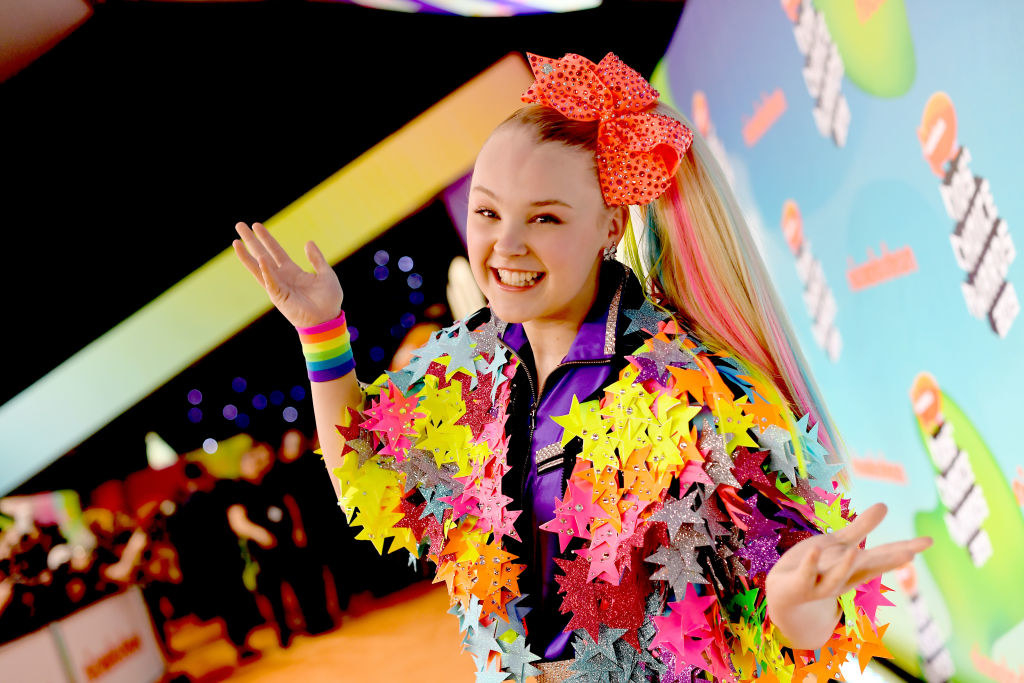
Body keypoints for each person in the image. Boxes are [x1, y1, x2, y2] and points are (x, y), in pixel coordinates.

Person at [231, 51, 932, 682]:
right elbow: (366, 472)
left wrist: (794, 601)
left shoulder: (686, 384)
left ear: (609, 228)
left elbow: (785, 600)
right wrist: (322, 329)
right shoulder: (467, 368)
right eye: (486, 211)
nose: (505, 245)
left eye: (545, 218)